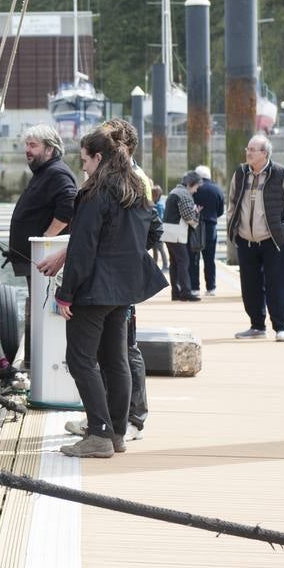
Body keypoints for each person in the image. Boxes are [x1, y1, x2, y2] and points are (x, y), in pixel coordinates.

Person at [53, 125, 168, 458]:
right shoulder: (138, 190)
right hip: (124, 288)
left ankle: (99, 433)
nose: (83, 167)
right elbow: (151, 235)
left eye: (85, 160)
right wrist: (123, 251)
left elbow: (83, 247)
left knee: (80, 360)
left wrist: (66, 293)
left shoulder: (95, 192)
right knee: (115, 360)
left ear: (99, 157)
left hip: (94, 289)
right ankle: (116, 432)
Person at [7, 124, 78, 363]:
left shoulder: (57, 173)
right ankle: (36, 362)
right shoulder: (45, 173)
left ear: (50, 149)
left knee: (45, 310)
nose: (27, 150)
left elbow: (69, 204)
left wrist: (47, 238)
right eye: (27, 145)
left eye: (33, 145)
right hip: (35, 260)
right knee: (38, 310)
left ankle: (44, 364)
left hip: (44, 260)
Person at [229, 134, 284, 341]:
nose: (248, 152)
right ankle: (257, 326)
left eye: (252, 149)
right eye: (248, 149)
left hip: (273, 241)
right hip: (246, 240)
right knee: (249, 285)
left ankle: (281, 327)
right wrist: (233, 228)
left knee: (277, 284)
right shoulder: (241, 173)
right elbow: (232, 204)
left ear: (265, 153)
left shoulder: (281, 174)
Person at [163, 171, 202, 301]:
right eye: (196, 187)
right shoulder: (184, 194)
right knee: (183, 261)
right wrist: (196, 213)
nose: (196, 191)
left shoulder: (174, 191)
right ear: (191, 184)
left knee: (174, 263)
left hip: (168, 232)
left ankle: (175, 292)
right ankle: (186, 291)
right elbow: (188, 216)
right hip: (177, 234)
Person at [191, 164, 226, 296]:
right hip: (211, 226)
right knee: (209, 259)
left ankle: (194, 288)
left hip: (195, 225)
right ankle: (211, 287)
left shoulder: (194, 188)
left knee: (194, 258)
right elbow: (220, 211)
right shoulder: (217, 190)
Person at [151, 184, 168, 271]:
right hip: (156, 229)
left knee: (160, 248)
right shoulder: (159, 203)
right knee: (155, 248)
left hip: (158, 229)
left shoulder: (158, 205)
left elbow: (159, 218)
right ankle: (155, 265)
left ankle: (165, 265)